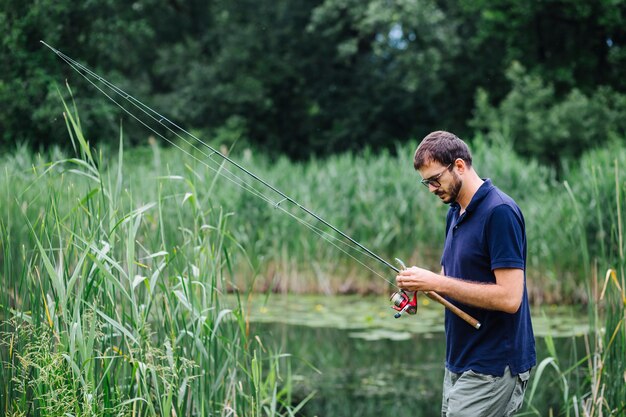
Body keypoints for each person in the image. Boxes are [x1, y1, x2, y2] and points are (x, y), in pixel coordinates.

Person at [396, 131, 535, 417]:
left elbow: (510, 298)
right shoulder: (455, 212)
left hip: (494, 366)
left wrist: (437, 281)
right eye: (426, 183)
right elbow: (451, 281)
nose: (432, 189)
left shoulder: (500, 212)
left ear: (459, 166)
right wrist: (419, 286)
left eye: (435, 179)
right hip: (459, 361)